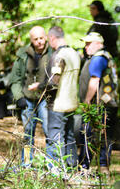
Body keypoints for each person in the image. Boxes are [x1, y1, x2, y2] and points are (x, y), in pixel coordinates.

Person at [8, 25, 52, 165]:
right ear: (31, 40)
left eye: (41, 38)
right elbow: (15, 79)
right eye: (36, 39)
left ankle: (53, 165)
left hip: (46, 99)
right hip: (27, 100)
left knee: (49, 131)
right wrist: (19, 97)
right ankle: (26, 163)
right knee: (27, 133)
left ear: (46, 37)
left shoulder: (54, 53)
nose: (39, 41)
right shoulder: (23, 55)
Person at [78, 32, 119, 176]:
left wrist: (87, 101)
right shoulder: (106, 57)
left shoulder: (98, 58)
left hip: (99, 105)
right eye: (85, 44)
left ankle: (84, 167)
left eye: (89, 44)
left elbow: (94, 81)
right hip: (110, 103)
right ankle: (104, 168)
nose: (86, 47)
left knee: (88, 135)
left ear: (98, 44)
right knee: (105, 137)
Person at [40, 26, 80, 171]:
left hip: (58, 104)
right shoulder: (74, 53)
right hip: (72, 102)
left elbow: (53, 83)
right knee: (69, 136)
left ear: (52, 38)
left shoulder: (59, 56)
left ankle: (55, 169)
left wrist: (40, 87)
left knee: (55, 137)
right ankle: (72, 167)